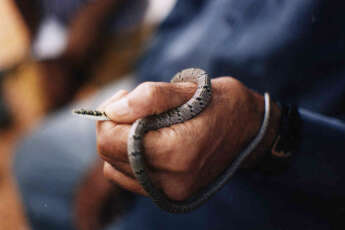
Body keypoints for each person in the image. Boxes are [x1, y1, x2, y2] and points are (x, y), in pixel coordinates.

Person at [14, 0, 345, 230]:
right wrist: (147, 84)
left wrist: (266, 128)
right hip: (169, 79)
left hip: (287, 165)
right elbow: (175, 22)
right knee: (34, 156)